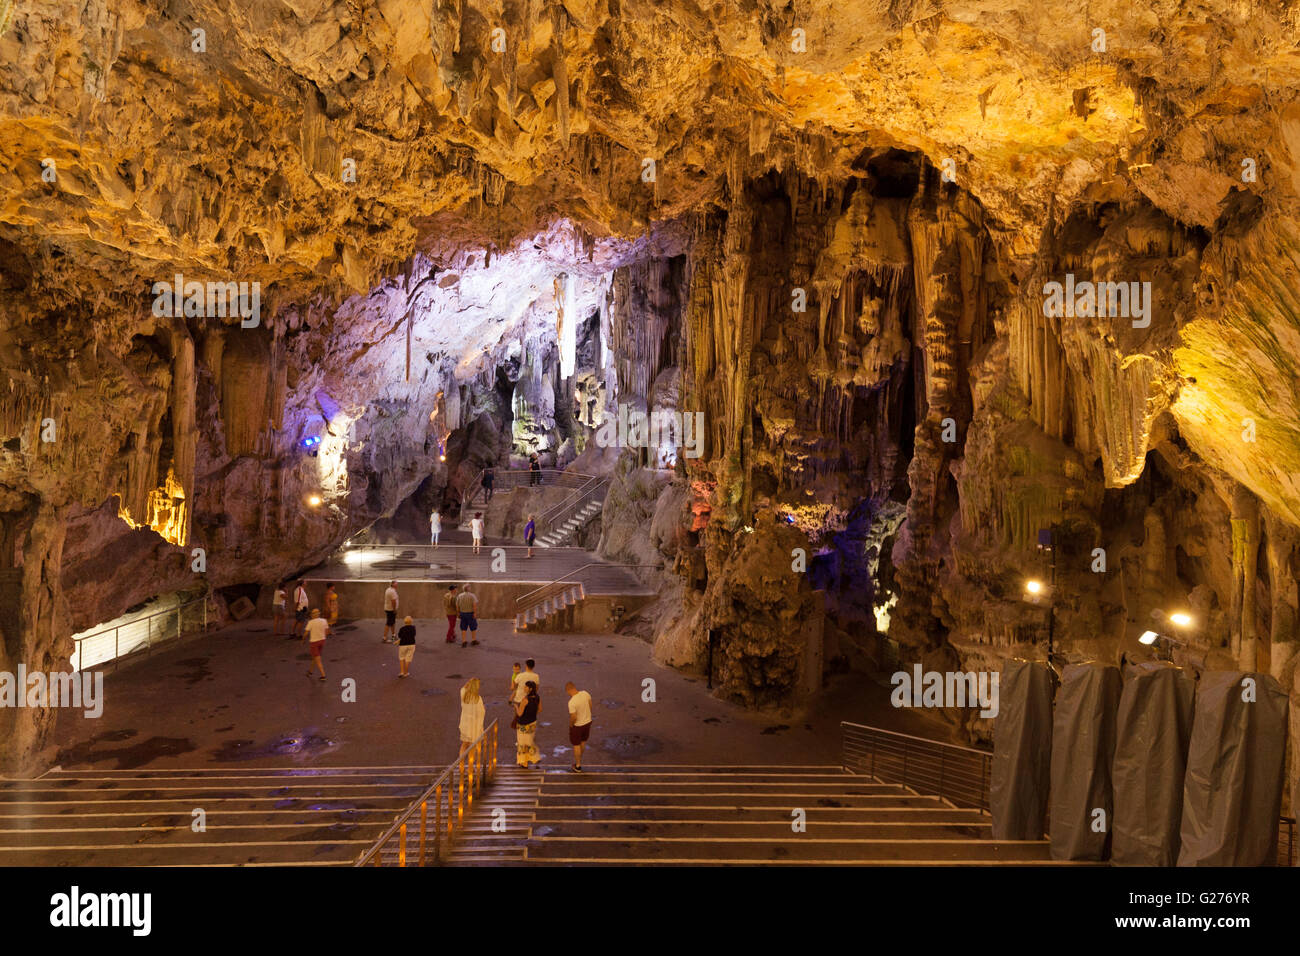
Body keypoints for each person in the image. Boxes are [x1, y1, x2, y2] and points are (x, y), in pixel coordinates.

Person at [566, 682, 593, 773]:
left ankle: (578, 765)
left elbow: (573, 717)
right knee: (583, 741)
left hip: (577, 726)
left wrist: (570, 725)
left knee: (576, 744)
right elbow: (590, 705)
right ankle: (579, 759)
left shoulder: (572, 702)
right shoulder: (585, 693)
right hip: (588, 722)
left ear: (568, 690)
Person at [513, 678, 541, 767]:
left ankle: (524, 762)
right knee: (529, 741)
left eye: (526, 687)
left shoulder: (525, 699)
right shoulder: (537, 697)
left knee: (522, 743)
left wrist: (516, 707)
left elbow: (520, 713)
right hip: (532, 723)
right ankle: (534, 757)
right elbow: (540, 709)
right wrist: (532, 714)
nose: (524, 688)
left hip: (523, 725)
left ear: (530, 689)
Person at [459, 678, 486, 755]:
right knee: (472, 746)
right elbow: (481, 712)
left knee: (464, 745)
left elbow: (463, 688)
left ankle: (461, 765)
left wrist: (469, 682)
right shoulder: (478, 699)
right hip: (473, 726)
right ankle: (470, 767)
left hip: (464, 723)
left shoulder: (463, 694)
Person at [304, 608, 329, 681]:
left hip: (314, 642)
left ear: (312, 615)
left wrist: (303, 640)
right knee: (315, 657)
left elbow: (306, 633)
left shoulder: (311, 622)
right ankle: (310, 671)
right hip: (322, 641)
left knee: (317, 659)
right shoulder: (324, 621)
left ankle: (323, 675)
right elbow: (327, 631)